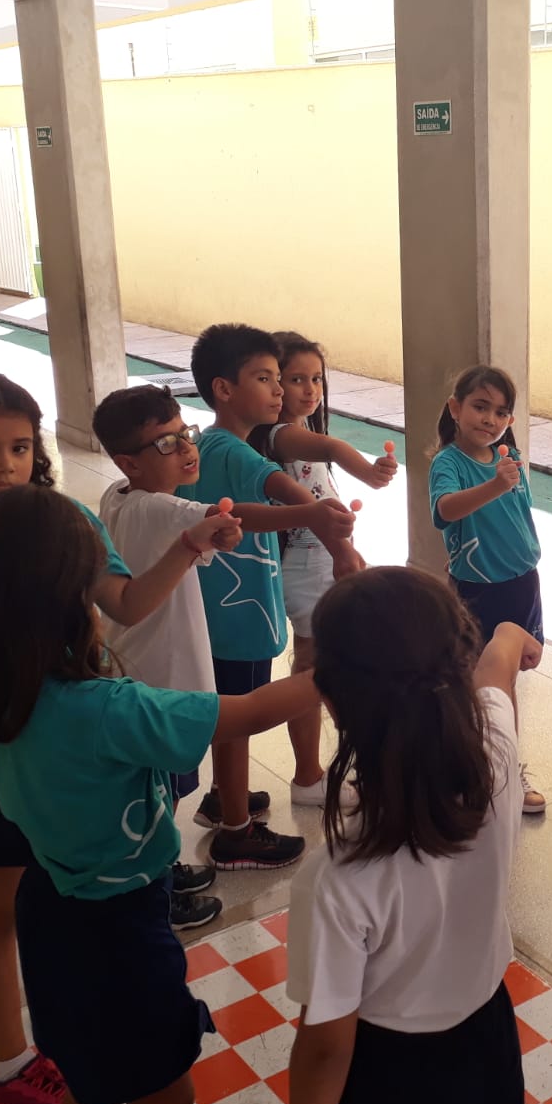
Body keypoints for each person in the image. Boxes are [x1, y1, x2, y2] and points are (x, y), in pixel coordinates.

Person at [0, 371, 236, 1104]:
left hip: (73, 745)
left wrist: (189, 545)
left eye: (20, 446)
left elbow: (125, 601)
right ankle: (13, 1062)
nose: (5, 464)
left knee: (71, 908)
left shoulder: (63, 521)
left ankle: (85, 1035)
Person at [0, 485, 318, 1104]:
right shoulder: (106, 710)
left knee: (90, 1082)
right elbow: (248, 711)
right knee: (166, 1089)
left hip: (51, 904)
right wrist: (339, 671)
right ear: (69, 602)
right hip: (121, 929)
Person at [284, 567, 542, 1104]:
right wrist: (511, 634)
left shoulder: (336, 878)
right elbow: (497, 672)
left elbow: (327, 1049)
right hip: (488, 1045)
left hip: (388, 1077)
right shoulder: (498, 762)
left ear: (332, 702)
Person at [177, 324, 361, 871]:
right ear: (223, 389)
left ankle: (223, 799)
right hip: (239, 615)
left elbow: (245, 512)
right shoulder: (229, 448)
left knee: (231, 715)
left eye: (280, 378)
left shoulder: (215, 446)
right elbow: (274, 492)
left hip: (232, 610)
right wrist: (321, 520)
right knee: (237, 719)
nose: (280, 390)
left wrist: (316, 519)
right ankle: (236, 833)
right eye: (265, 378)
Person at [93, 383, 257, 929]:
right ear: (129, 462)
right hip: (165, 681)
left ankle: (161, 870)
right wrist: (225, 522)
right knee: (164, 794)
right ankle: (157, 892)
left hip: (135, 674)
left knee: (157, 790)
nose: (187, 447)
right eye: (166, 443)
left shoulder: (116, 495)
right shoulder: (159, 507)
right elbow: (203, 515)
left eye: (185, 433)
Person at [250, 331, 396, 808]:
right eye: (295, 379)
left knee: (319, 668)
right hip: (310, 567)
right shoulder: (281, 435)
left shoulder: (293, 434)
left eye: (316, 378)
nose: (309, 389)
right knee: (319, 670)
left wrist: (345, 549)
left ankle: (317, 772)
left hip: (321, 562)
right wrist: (369, 472)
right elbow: (331, 447)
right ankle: (315, 774)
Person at [428, 364, 546, 812]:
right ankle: (475, 767)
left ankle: (505, 766)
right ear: (455, 408)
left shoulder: (507, 457)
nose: (490, 419)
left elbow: (516, 517)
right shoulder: (449, 462)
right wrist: (496, 484)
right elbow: (445, 509)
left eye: (500, 412)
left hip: (522, 583)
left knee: (507, 677)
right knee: (475, 681)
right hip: (479, 589)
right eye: (480, 407)